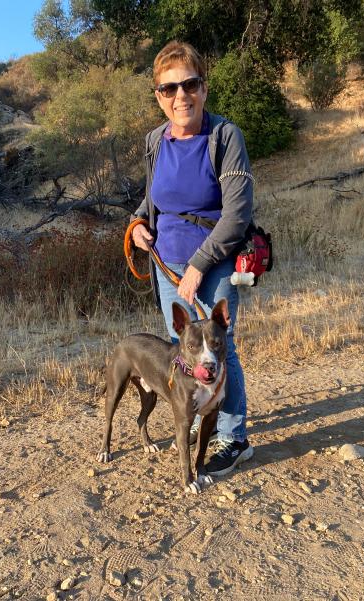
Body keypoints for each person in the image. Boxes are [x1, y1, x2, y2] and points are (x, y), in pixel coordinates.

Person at [131, 40, 254, 476]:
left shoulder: (224, 136)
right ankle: (193, 413)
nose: (180, 96)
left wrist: (200, 265)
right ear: (158, 95)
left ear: (204, 87)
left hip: (216, 260)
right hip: (165, 263)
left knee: (222, 348)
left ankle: (233, 437)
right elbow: (153, 199)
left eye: (190, 84)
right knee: (184, 348)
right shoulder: (154, 141)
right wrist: (138, 224)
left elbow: (238, 214)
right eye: (169, 89)